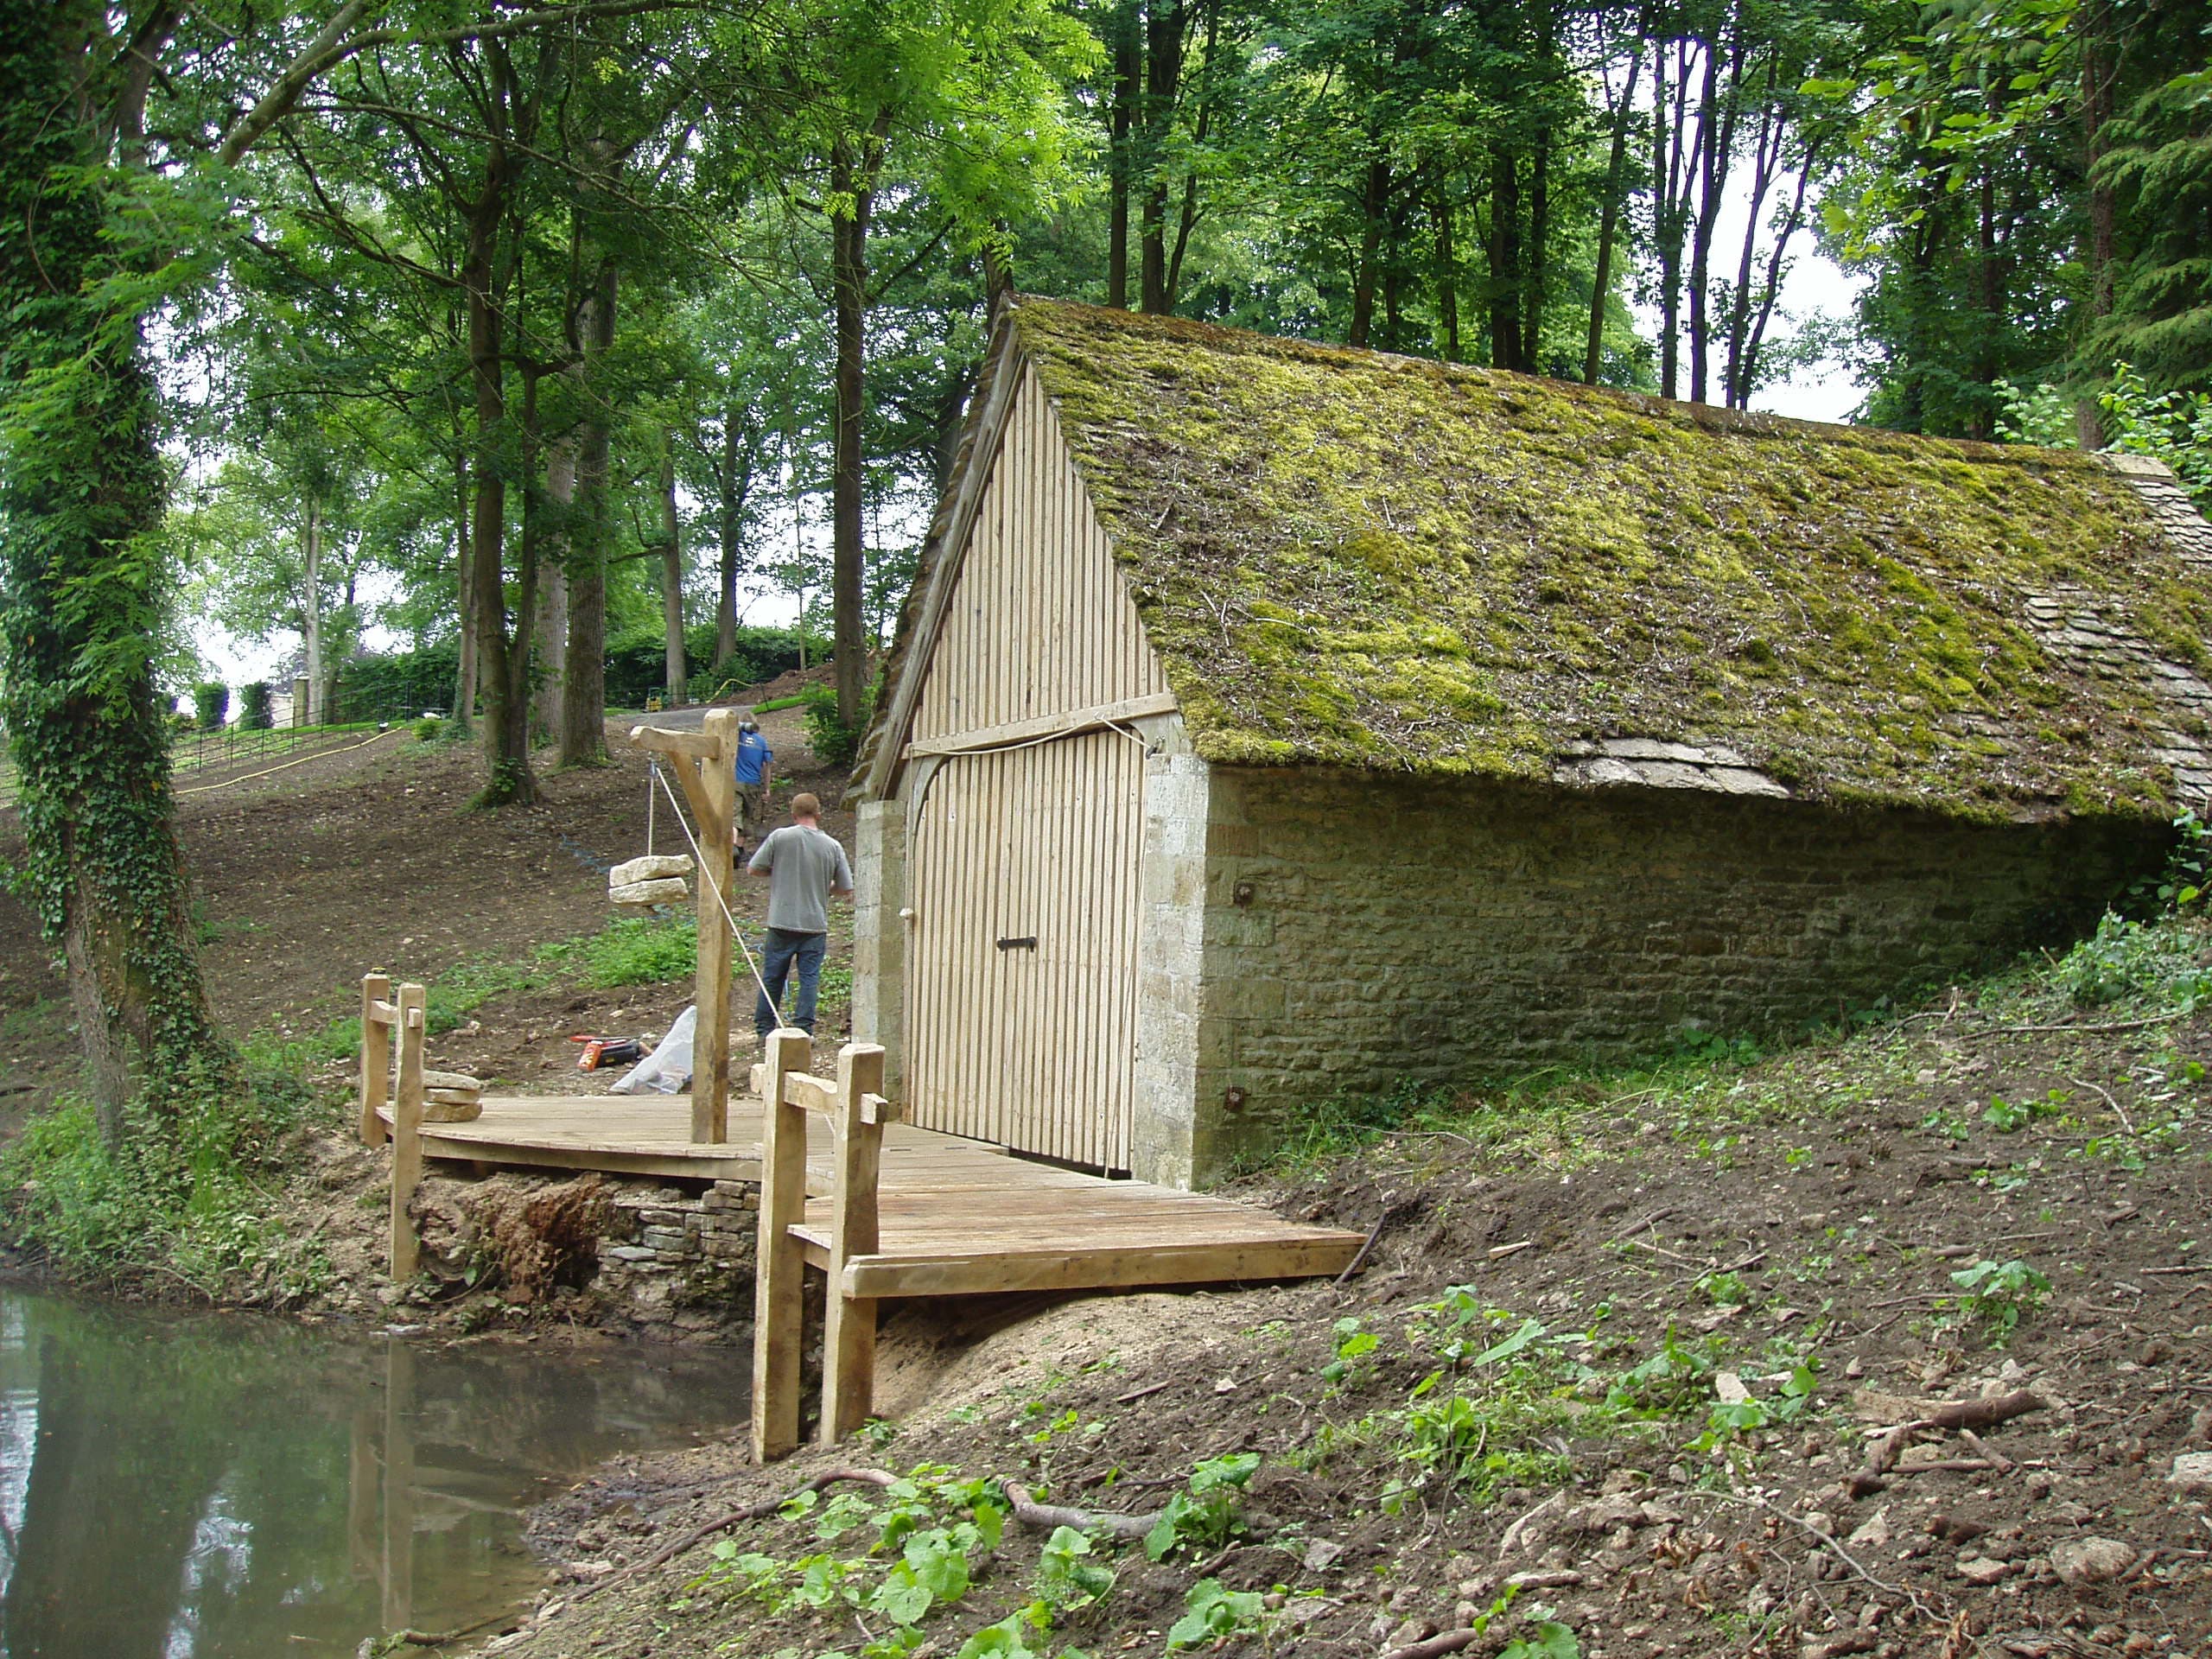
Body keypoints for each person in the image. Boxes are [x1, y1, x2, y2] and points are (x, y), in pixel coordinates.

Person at [747, 791, 852, 1039]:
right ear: (819, 814)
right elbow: (846, 888)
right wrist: (826, 886)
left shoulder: (780, 837)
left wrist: (778, 873)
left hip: (781, 921)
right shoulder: (833, 846)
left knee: (772, 976)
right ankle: (803, 1030)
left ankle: (764, 1031)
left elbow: (753, 869)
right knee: (808, 979)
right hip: (814, 925)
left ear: (793, 815)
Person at [732, 719, 773, 861]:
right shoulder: (761, 741)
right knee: (747, 816)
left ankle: (733, 846)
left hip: (735, 782)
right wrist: (767, 789)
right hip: (753, 784)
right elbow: (767, 766)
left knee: (734, 815)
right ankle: (740, 848)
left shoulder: (735, 738)